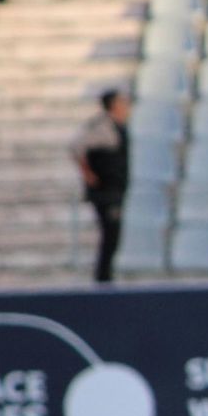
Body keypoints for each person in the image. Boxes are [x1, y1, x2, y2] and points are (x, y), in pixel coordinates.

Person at [70, 89, 130, 283]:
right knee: (110, 232)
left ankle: (106, 275)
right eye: (122, 102)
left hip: (116, 190)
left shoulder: (118, 126)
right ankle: (103, 277)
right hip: (105, 191)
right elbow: (77, 147)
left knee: (113, 235)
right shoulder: (101, 127)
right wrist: (88, 173)